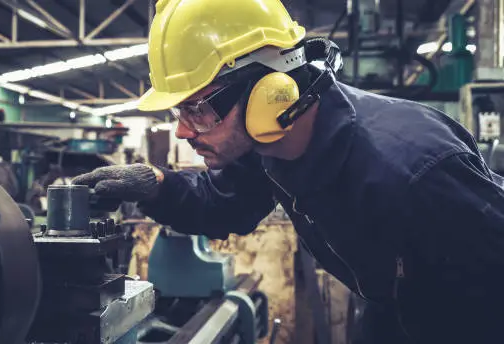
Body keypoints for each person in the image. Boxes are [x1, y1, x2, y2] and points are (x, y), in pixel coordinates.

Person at [72, 0, 504, 342]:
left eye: (197, 109)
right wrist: (155, 185)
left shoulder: (417, 173)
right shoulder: (274, 144)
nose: (183, 131)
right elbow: (225, 205)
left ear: (270, 91)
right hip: (387, 307)